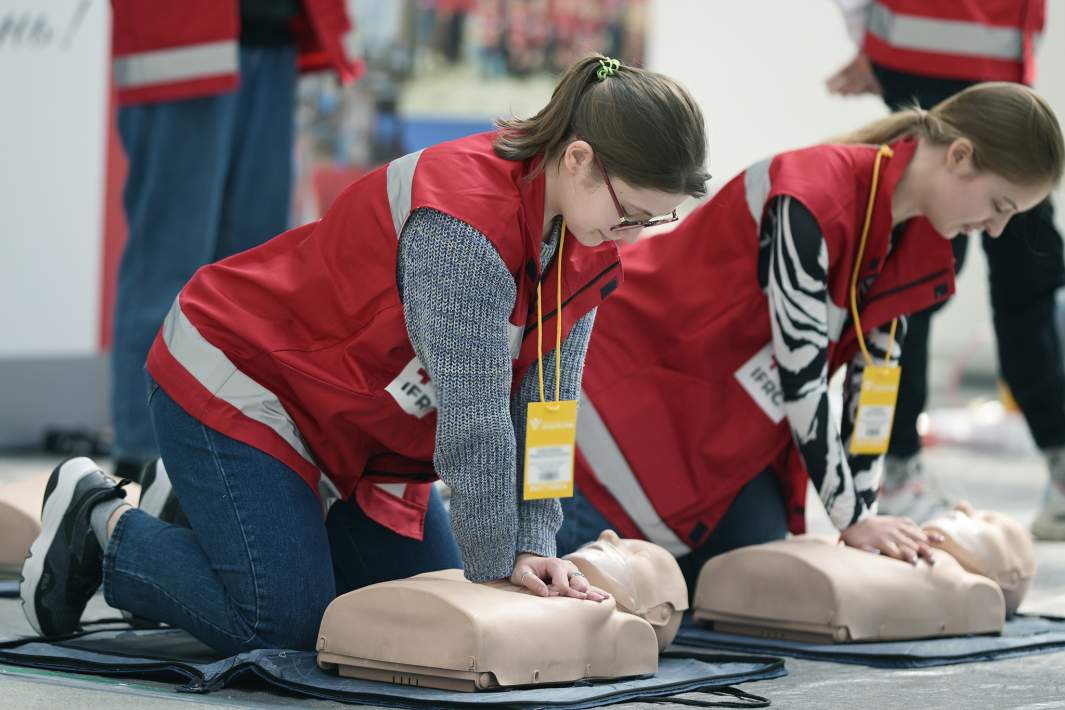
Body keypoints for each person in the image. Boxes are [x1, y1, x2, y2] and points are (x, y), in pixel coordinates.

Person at [22, 55, 710, 653]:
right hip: (245, 381)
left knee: (409, 611)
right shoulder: (465, 226)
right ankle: (99, 524)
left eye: (655, 221)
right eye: (631, 214)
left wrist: (535, 544)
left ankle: (207, 513)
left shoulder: (584, 250)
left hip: (356, 426)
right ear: (579, 157)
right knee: (286, 624)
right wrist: (501, 566)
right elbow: (475, 425)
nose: (632, 236)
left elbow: (549, 411)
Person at [558, 82, 1063, 590]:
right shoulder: (810, 194)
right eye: (999, 205)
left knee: (751, 586)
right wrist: (852, 519)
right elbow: (803, 377)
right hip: (624, 384)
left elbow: (875, 386)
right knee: (589, 598)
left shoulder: (919, 242)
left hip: (719, 420)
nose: (996, 229)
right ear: (959, 156)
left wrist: (864, 517)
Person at [826, 0, 1065, 539]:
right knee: (910, 287)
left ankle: (1057, 458)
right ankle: (896, 467)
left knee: (1030, 278)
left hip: (1000, 79)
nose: (994, 225)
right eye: (996, 213)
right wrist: (870, 42)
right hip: (924, 71)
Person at [109, 0, 362, 480]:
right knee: (167, 264)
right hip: (183, 38)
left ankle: (234, 455)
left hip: (272, 38)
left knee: (254, 285)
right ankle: (142, 463)